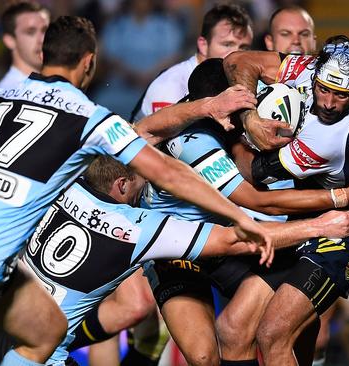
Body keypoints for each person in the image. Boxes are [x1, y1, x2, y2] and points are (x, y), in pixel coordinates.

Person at [0, 16, 269, 366]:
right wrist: (236, 214)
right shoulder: (88, 118)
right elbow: (166, 171)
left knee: (47, 332)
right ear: (89, 62)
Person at [0, 154, 349, 366]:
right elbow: (234, 241)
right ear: (120, 185)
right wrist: (317, 226)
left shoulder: (60, 185)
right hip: (31, 352)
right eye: (140, 181)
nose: (148, 186)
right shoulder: (139, 228)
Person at [216, 7, 349, 366]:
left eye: (341, 96)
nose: (328, 102)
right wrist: (249, 114)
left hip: (342, 236)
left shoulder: (332, 137)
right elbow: (239, 60)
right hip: (304, 223)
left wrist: (241, 134)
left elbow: (253, 178)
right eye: (324, 89)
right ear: (314, 72)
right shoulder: (308, 68)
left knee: (272, 334)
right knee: (232, 326)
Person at [70, 5, 257, 363]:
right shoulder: (173, 86)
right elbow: (152, 148)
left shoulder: (245, 82)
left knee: (157, 330)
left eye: (244, 46)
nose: (237, 55)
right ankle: (39, 340)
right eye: (227, 44)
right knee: (132, 307)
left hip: (195, 222)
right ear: (202, 44)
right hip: (144, 214)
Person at [0, 1, 50, 90]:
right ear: (10, 41)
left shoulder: (63, 86)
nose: (42, 39)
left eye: (45, 30)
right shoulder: (3, 95)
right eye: (30, 32)